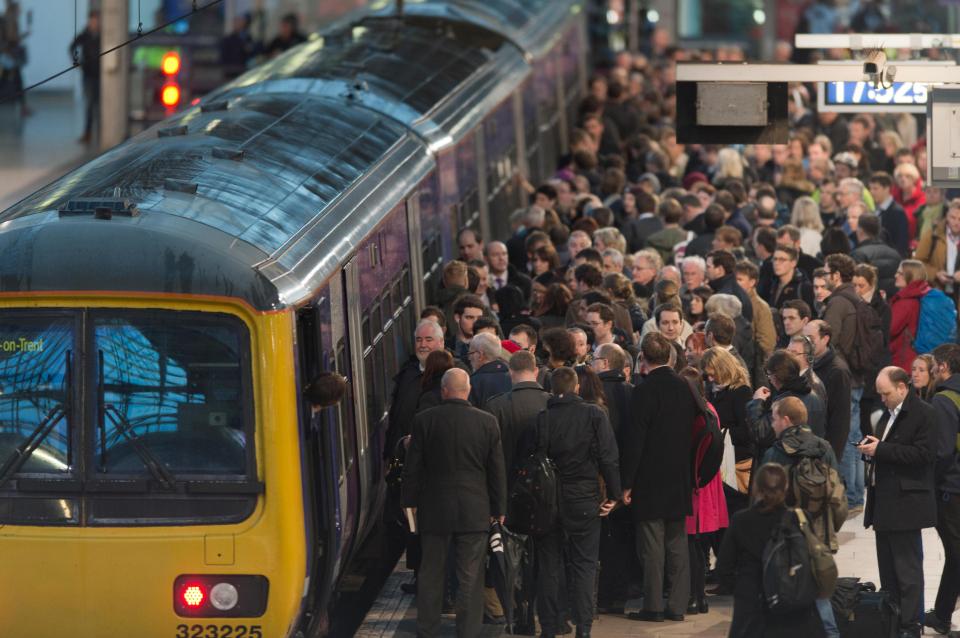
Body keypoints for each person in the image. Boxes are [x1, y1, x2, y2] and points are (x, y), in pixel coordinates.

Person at [402, 369, 506, 638]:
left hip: (434, 510)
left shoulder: (424, 421)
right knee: (470, 576)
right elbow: (496, 471)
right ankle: (468, 631)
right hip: (475, 510)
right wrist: (499, 509)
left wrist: (409, 503)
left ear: (444, 391)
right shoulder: (487, 422)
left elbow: (413, 469)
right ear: (468, 390)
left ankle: (427, 630)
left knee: (431, 573)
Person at [529, 366, 621, 638]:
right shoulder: (594, 414)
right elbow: (608, 457)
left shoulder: (542, 419)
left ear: (551, 389)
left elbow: (534, 460)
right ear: (577, 387)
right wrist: (614, 495)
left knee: (549, 564)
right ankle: (583, 628)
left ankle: (549, 626)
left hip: (549, 500)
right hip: (583, 497)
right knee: (585, 564)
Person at [622, 333, 698, 623]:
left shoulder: (644, 391)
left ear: (642, 357)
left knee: (652, 545)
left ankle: (652, 606)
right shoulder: (685, 387)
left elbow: (635, 441)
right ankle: (677, 606)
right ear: (669, 356)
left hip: (650, 479)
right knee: (677, 543)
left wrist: (627, 483)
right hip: (679, 475)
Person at [858, 366, 936, 638]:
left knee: (907, 572)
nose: (882, 399)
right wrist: (872, 448)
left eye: (886, 393)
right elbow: (888, 448)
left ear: (902, 388)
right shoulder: (887, 414)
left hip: (906, 505)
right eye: (880, 394)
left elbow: (924, 455)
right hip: (884, 503)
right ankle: (892, 622)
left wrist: (881, 449)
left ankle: (910, 626)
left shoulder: (924, 413)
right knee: (888, 572)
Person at [760, 397, 843, 636]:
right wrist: (830, 527)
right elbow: (838, 496)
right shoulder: (824, 448)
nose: (772, 424)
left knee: (784, 590)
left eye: (774, 418)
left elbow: (765, 501)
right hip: (819, 534)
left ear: (786, 420)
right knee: (821, 591)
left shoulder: (774, 453)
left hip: (785, 536)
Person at [716, 463, 827, 638]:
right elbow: (815, 561)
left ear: (756, 488)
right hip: (794, 605)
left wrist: (742, 587)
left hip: (752, 605)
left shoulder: (741, 520)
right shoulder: (799, 519)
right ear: (786, 487)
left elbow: (723, 568)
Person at [679, 366, 729, 617]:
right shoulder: (710, 409)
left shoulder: (697, 416)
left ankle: (693, 597)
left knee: (693, 545)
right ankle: (699, 598)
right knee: (699, 546)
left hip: (697, 487)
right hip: (708, 485)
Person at [924, 345, 960, 635]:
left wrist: (929, 482)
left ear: (944, 366)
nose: (932, 370)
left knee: (956, 552)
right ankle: (943, 612)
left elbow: (943, 451)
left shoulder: (943, 399)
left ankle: (942, 615)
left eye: (934, 365)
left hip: (951, 486)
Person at [384, 320, 447, 460]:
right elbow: (396, 416)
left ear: (441, 342)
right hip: (404, 456)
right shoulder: (407, 373)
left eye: (428, 340)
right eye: (419, 340)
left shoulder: (451, 373)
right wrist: (390, 453)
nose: (423, 345)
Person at [701, 347, 754, 497]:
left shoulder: (741, 392)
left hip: (736, 461)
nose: (710, 379)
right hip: (718, 459)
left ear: (723, 368)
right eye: (707, 375)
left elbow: (746, 431)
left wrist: (720, 433)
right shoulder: (711, 390)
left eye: (713, 374)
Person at [803, 321, 852, 462]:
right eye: (804, 338)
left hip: (824, 450)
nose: (806, 343)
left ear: (825, 339)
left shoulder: (838, 371)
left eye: (811, 338)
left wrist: (832, 457)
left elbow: (840, 420)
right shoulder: (807, 364)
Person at [889, 260, 931, 369]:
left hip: (903, 360)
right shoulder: (920, 295)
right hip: (915, 358)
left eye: (900, 273)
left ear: (911, 276)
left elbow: (889, 329)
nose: (895, 275)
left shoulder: (905, 302)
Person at [915, 199, 960, 297]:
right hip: (935, 294)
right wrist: (936, 274)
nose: (956, 222)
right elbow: (917, 264)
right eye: (953, 217)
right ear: (947, 216)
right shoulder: (932, 235)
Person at [850, 214, 902, 298]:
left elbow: (856, 285)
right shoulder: (895, 254)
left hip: (869, 301)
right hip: (892, 301)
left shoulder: (858, 254)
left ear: (860, 230)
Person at [69, 10, 100, 144]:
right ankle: (88, 133)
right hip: (88, 74)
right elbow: (72, 47)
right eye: (92, 20)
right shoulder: (84, 35)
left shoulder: (103, 35)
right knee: (90, 105)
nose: (94, 23)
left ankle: (100, 132)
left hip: (100, 75)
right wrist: (76, 62)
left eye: (96, 20)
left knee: (100, 105)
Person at [868, 172, 911, 256]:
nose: (871, 192)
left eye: (875, 188)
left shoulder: (897, 212)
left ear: (887, 189)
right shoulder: (875, 210)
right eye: (870, 188)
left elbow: (901, 242)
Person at [706, 250, 753, 322]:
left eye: (708, 267)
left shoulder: (725, 297)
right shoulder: (733, 288)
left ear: (719, 270)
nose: (705, 270)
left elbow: (722, 326)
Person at [467, 333, 511, 407]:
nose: (469, 358)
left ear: (480, 355)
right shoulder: (512, 378)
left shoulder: (474, 382)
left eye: (470, 353)